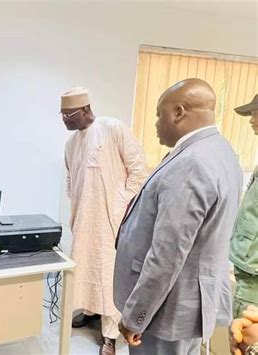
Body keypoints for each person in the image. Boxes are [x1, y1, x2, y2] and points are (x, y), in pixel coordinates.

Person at [113, 78, 243, 355]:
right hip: (190, 301)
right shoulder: (222, 150)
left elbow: (167, 255)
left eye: (159, 114)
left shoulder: (191, 163)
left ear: (178, 112)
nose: (156, 123)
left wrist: (136, 316)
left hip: (167, 310)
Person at [61, 87, 148, 354]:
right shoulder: (71, 143)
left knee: (108, 275)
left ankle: (110, 334)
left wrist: (121, 204)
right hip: (84, 219)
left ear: (86, 110)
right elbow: (70, 178)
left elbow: (138, 168)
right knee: (85, 267)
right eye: (61, 114)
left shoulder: (113, 127)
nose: (64, 120)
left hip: (113, 222)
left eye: (69, 114)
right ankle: (89, 311)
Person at [229, 94, 258, 319]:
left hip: (253, 270)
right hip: (247, 265)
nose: (251, 120)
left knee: (244, 337)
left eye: (255, 113)